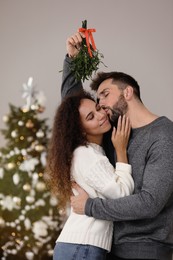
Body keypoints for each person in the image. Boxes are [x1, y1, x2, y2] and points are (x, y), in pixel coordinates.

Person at [61, 31, 173, 260]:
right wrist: (71, 60)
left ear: (128, 92)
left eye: (105, 94)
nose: (100, 104)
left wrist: (91, 207)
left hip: (145, 249)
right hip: (109, 248)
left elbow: (149, 203)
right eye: (98, 100)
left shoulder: (164, 136)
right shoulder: (115, 132)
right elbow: (77, 112)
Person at [46, 91, 134, 260]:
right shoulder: (87, 155)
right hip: (82, 247)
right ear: (80, 130)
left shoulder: (89, 152)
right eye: (91, 117)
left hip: (79, 247)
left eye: (98, 108)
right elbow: (122, 195)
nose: (101, 115)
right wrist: (121, 150)